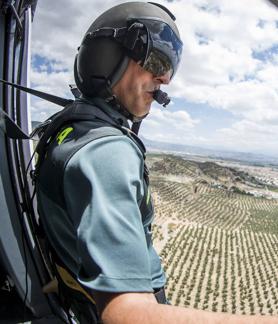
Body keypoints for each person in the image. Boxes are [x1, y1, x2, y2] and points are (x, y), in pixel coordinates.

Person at [36, 2, 278, 323]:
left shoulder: (70, 128)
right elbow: (127, 315)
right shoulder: (107, 151)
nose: (165, 78)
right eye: (157, 59)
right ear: (108, 56)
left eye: (170, 67)